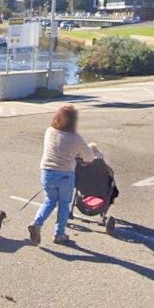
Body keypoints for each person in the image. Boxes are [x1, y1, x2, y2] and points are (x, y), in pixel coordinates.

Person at [28, 104, 102, 245]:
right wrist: (91, 148)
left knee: (49, 201)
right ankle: (59, 234)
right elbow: (89, 158)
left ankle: (37, 223)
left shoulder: (50, 131)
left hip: (47, 172)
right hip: (65, 175)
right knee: (63, 204)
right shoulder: (75, 138)